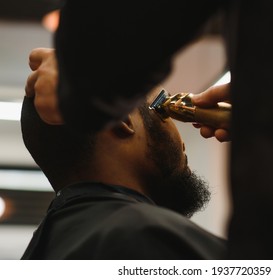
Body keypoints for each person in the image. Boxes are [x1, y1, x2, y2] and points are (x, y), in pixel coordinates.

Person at [29, 0, 273, 259]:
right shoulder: (140, 239)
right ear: (122, 120)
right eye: (158, 110)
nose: (181, 135)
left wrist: (74, 75)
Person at [20, 53, 227, 258]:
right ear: (122, 120)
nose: (182, 142)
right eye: (164, 109)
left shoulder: (41, 250)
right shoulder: (147, 237)